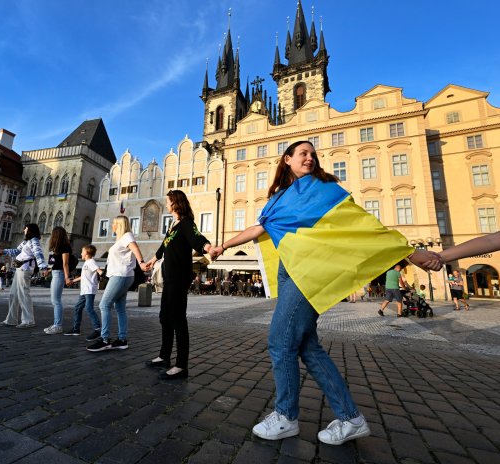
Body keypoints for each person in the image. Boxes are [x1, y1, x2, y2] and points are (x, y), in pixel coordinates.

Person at [210, 141, 438, 445]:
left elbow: (361, 225)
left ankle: (286, 416)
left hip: (309, 273)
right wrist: (222, 246)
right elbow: (258, 229)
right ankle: (350, 418)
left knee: (280, 342)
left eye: (313, 154)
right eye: (303, 152)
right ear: (287, 159)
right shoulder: (279, 199)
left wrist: (408, 252)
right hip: (290, 270)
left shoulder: (324, 189)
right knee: (307, 347)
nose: (310, 157)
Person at [144, 190, 212, 380]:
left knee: (178, 319)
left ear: (176, 203)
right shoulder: (173, 225)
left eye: (168, 201)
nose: (166, 204)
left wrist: (208, 248)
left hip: (180, 277)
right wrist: (152, 260)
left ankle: (181, 365)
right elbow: (164, 246)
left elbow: (198, 238)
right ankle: (164, 356)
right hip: (169, 277)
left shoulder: (186, 224)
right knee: (165, 317)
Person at [86, 216, 148, 351]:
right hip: (122, 275)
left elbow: (135, 248)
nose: (112, 225)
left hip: (120, 275)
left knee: (104, 305)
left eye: (114, 223)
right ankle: (122, 339)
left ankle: (105, 339)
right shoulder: (121, 239)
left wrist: (142, 263)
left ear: (120, 225)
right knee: (119, 308)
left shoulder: (127, 236)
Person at [0, 223, 47, 329]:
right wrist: (3, 251)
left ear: (30, 229)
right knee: (13, 294)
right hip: (19, 268)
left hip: (25, 268)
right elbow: (17, 251)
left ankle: (29, 321)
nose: (24, 230)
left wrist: (43, 267)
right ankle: (11, 320)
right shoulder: (26, 241)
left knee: (23, 294)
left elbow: (38, 254)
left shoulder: (34, 240)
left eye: (25, 228)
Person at [66, 244, 103, 340]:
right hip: (84, 290)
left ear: (86, 253)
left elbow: (99, 270)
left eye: (82, 252)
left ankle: (98, 329)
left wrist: (103, 274)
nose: (81, 253)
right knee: (78, 308)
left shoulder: (91, 262)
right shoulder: (86, 263)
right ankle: (76, 329)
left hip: (89, 290)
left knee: (89, 308)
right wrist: (72, 281)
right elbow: (84, 276)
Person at [44, 226, 73, 335]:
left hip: (60, 274)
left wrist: (67, 277)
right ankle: (56, 324)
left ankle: (58, 325)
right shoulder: (57, 248)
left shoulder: (65, 246)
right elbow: (55, 263)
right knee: (54, 300)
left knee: (56, 301)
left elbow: (65, 263)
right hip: (56, 273)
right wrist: (48, 270)